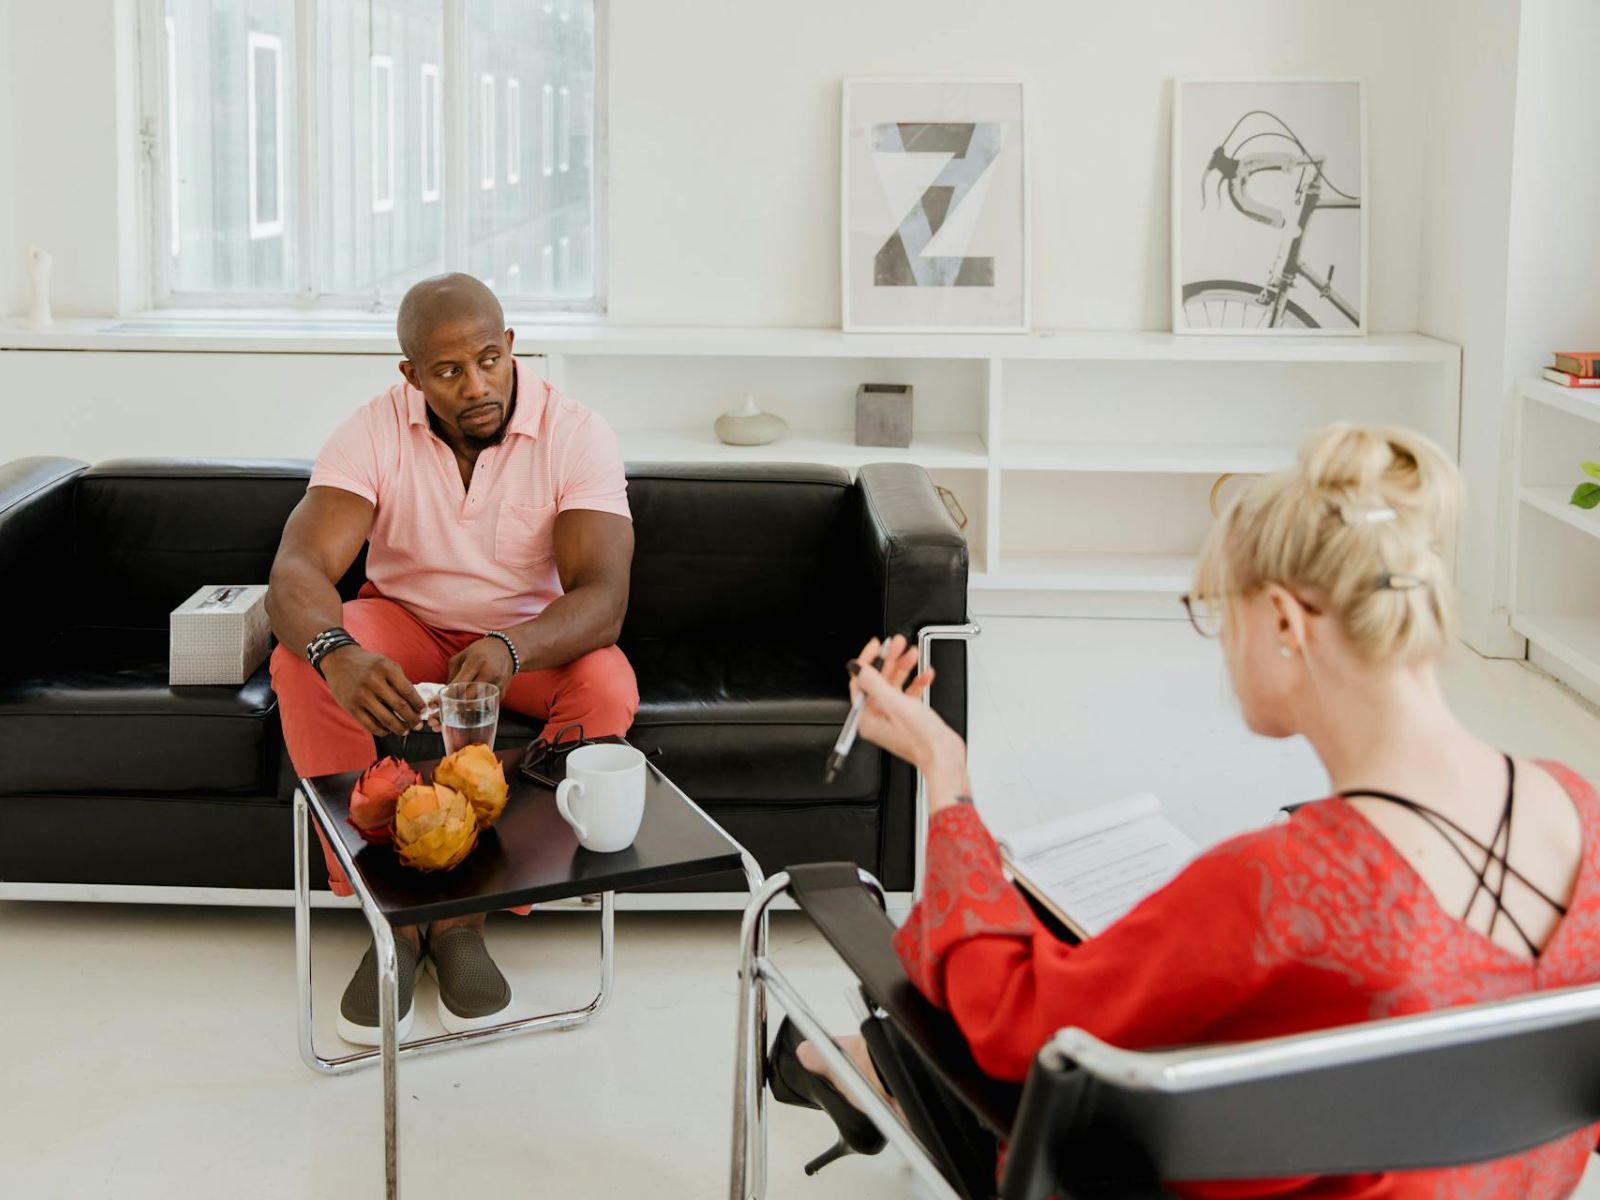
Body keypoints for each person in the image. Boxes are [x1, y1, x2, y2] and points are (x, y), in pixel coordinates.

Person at [770, 424, 1600, 1197]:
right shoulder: (1580, 815)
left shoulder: (1284, 887)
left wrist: (942, 770)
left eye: (1216, 611)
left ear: (1280, 619)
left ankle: (855, 1062)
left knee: (965, 1016)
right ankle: (852, 1064)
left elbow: (1019, 1020)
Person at [268, 273, 637, 1046]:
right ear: (410, 376)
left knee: (606, 681)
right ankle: (388, 916)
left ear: (510, 347)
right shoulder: (371, 431)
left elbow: (602, 599)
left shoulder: (576, 433)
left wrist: (511, 646)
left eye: (490, 359)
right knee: (299, 660)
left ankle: (469, 915)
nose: (477, 385)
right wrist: (336, 651)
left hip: (524, 644)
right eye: (447, 371)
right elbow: (297, 571)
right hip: (406, 629)